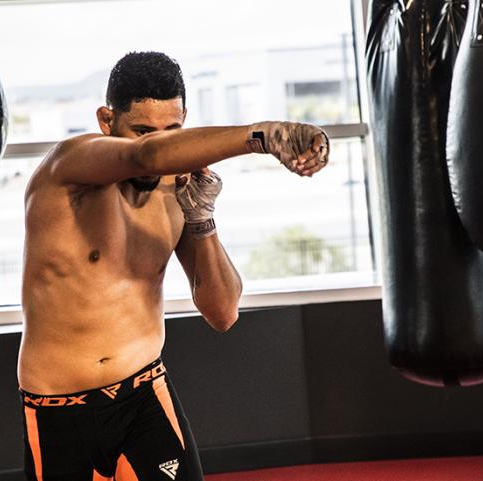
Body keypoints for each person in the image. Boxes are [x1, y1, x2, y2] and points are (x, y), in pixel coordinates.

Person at [18, 51, 329, 481]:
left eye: (173, 132)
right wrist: (263, 135)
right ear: (107, 121)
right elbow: (145, 157)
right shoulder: (70, 165)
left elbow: (222, 314)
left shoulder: (175, 192)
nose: (162, 146)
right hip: (60, 414)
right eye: (142, 131)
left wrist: (202, 220)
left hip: (145, 397)